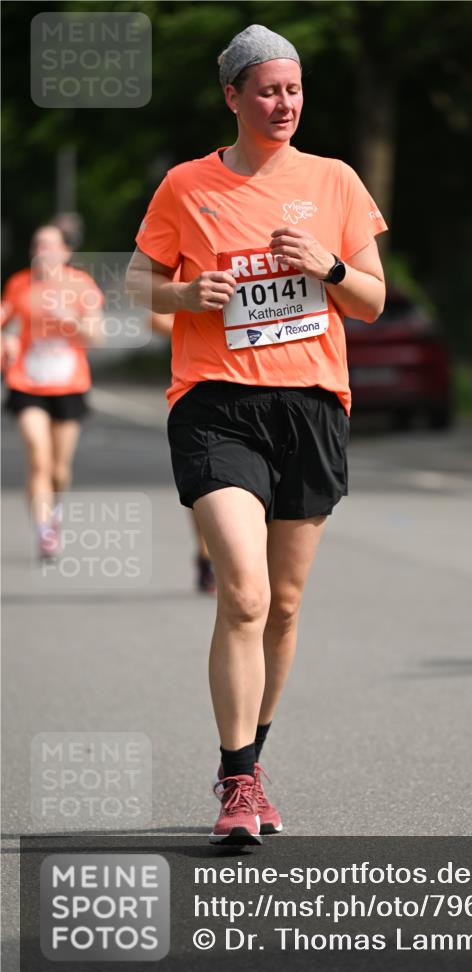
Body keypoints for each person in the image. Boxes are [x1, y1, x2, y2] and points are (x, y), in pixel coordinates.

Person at [126, 23, 387, 845]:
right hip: (215, 402)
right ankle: (237, 783)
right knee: (240, 589)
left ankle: (255, 759)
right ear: (232, 95)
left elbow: (372, 301)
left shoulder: (334, 180)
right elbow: (140, 279)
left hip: (310, 405)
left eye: (294, 90)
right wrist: (183, 296)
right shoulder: (185, 186)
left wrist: (329, 266)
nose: (284, 104)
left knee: (280, 604)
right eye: (268, 90)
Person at [1, 225, 104, 558]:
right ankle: (44, 529)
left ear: (65, 252)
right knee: (38, 455)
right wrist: (9, 343)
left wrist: (69, 318)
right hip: (26, 382)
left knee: (59, 469)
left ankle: (54, 513)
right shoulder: (19, 283)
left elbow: (97, 338)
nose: (41, 251)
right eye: (37, 245)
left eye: (49, 245)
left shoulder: (81, 285)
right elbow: (9, 323)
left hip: (68, 384)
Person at [149, 308, 216, 594]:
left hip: (273, 391)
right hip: (205, 389)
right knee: (210, 485)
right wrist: (205, 329)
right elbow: (156, 319)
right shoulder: (187, 265)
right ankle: (206, 555)